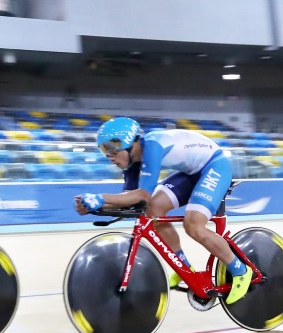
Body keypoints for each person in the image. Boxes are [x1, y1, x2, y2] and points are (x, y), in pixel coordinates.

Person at [74, 117, 253, 305]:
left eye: (111, 149)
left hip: (214, 166)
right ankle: (183, 267)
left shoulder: (152, 146)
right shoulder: (131, 161)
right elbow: (129, 200)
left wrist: (101, 198)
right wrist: (94, 206)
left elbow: (142, 195)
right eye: (103, 150)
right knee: (153, 209)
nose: (108, 156)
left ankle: (240, 270)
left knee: (193, 224)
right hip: (190, 173)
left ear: (127, 143)